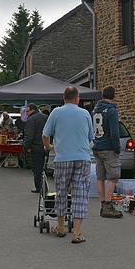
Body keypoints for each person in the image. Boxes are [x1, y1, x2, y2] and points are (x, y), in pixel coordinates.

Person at [42, 86, 94, 244]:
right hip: (82, 158)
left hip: (63, 158)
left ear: (63, 98)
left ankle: (60, 227)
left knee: (61, 192)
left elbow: (45, 135)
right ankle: (76, 233)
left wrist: (48, 147)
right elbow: (91, 137)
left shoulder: (56, 112)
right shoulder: (85, 114)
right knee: (80, 195)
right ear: (77, 98)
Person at [92, 86, 123, 219]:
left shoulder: (95, 110)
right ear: (113, 96)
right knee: (113, 176)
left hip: (97, 146)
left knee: (100, 177)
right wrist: (117, 148)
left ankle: (102, 203)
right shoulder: (111, 110)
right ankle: (108, 205)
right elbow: (115, 132)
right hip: (108, 147)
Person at [21, 103, 48, 193]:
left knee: (37, 169)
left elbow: (29, 136)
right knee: (44, 168)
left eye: (27, 111)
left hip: (36, 147)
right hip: (46, 146)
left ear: (32, 110)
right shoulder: (45, 117)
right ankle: (44, 186)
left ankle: (38, 187)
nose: (26, 113)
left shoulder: (31, 120)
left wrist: (26, 146)